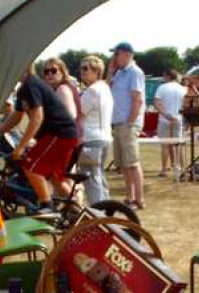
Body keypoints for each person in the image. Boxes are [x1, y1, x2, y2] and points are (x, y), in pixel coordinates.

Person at [0, 65, 79, 214]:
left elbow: (37, 117)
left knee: (30, 166)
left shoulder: (30, 85)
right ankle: (78, 213)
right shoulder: (24, 88)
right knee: (54, 177)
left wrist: (21, 147)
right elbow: (17, 115)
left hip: (58, 134)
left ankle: (46, 205)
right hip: (63, 134)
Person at [107, 41, 146, 209]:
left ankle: (139, 199)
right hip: (118, 122)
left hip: (127, 123)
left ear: (127, 54)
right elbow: (107, 86)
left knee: (132, 162)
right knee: (124, 164)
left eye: (116, 54)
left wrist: (131, 122)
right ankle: (130, 197)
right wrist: (110, 70)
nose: (114, 57)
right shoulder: (119, 72)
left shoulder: (134, 72)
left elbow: (137, 99)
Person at [77, 55, 114, 205]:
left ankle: (98, 213)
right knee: (98, 176)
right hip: (104, 138)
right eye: (81, 68)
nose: (82, 71)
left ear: (97, 71)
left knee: (91, 179)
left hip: (91, 139)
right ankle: (106, 209)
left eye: (86, 68)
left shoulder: (92, 91)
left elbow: (78, 113)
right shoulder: (105, 88)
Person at [153, 68, 187, 176]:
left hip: (164, 119)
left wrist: (166, 115)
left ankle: (164, 169)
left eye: (164, 75)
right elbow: (186, 105)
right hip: (178, 118)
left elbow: (157, 104)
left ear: (167, 76)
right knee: (178, 144)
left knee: (164, 145)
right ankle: (181, 167)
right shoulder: (183, 89)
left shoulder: (162, 87)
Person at [41, 57, 82, 137]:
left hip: (66, 137)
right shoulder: (63, 88)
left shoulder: (62, 89)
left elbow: (71, 115)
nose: (49, 74)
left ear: (62, 72)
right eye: (46, 72)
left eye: (53, 71)